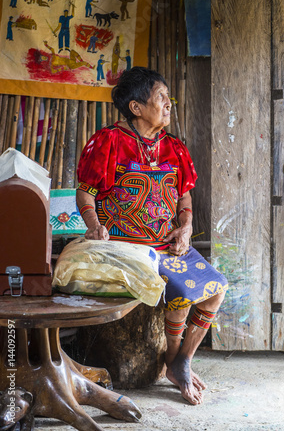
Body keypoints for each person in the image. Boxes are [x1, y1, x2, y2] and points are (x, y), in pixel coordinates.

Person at [76, 67, 228, 406]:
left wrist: (185, 228)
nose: (168, 103)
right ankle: (176, 365)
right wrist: (93, 223)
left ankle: (180, 361)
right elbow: (85, 193)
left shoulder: (174, 147)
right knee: (181, 292)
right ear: (136, 107)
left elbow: (185, 197)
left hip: (168, 245)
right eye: (161, 97)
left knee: (216, 290)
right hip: (125, 247)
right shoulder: (107, 142)